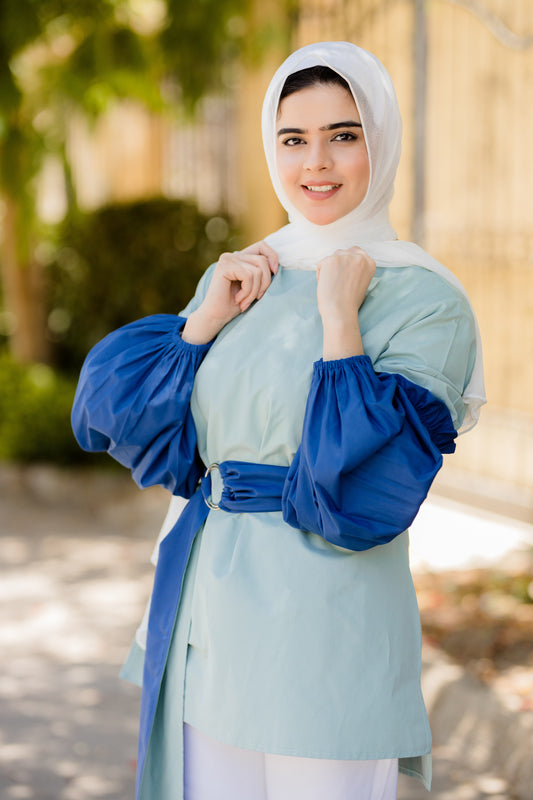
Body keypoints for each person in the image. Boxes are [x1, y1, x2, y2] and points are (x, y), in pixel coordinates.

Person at [72, 41, 485, 800]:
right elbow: (134, 431)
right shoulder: (245, 271)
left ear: (380, 141)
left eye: (344, 135)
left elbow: (366, 495)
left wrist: (339, 325)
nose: (315, 164)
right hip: (211, 615)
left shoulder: (426, 300)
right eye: (293, 138)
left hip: (330, 624)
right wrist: (201, 322)